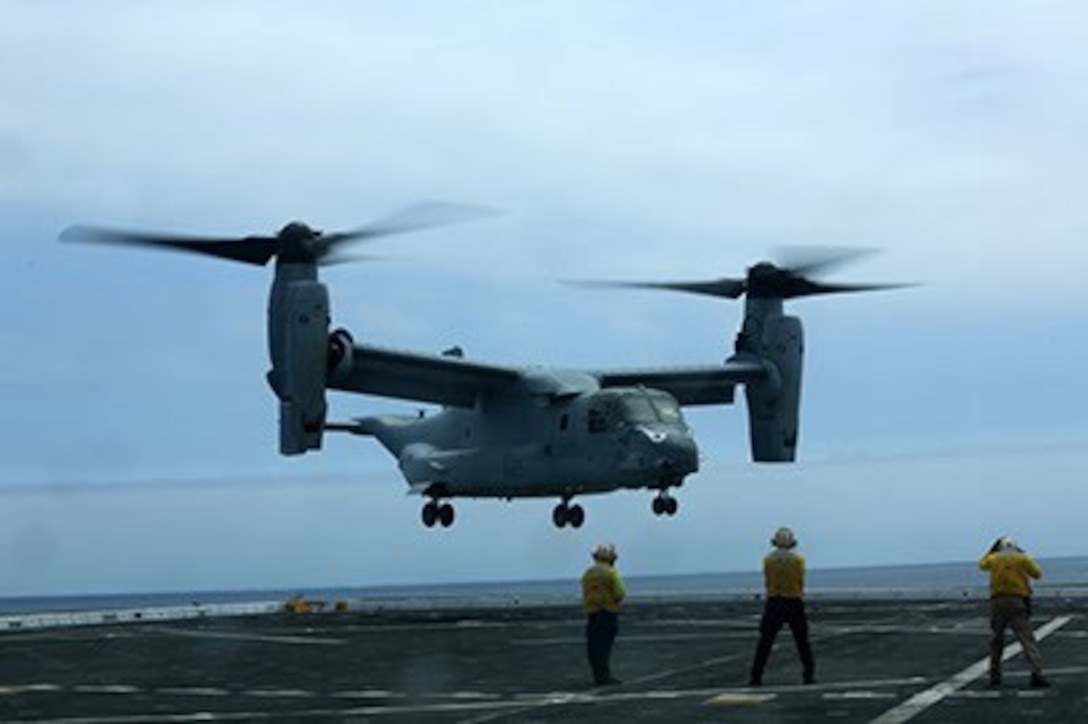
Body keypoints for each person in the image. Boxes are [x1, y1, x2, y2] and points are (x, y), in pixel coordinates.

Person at [979, 536, 1050, 688]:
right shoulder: (1021, 559)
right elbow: (1037, 574)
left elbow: (982, 565)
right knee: (1027, 640)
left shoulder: (993, 559)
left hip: (998, 602)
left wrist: (991, 550)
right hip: (1017, 601)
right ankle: (1036, 674)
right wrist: (1023, 555)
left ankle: (995, 676)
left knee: (997, 640)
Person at [749, 526, 815, 686]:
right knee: (802, 641)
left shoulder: (768, 560)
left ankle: (756, 676)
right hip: (794, 601)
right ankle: (808, 674)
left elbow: (768, 581)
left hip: (774, 602)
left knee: (765, 642)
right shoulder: (798, 560)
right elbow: (800, 581)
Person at [582, 543, 626, 686]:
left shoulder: (587, 573)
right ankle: (605, 676)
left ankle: (598, 675)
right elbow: (620, 592)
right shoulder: (611, 572)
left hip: (592, 613)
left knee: (593, 646)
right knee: (605, 646)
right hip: (608, 612)